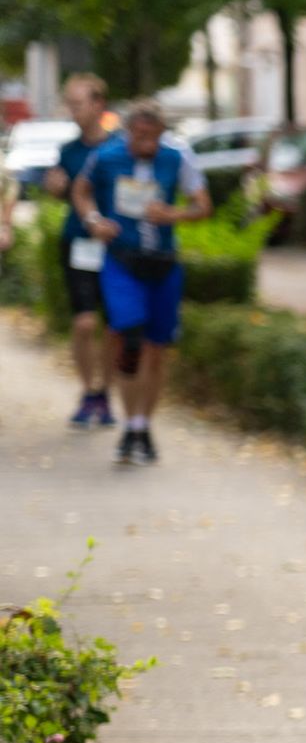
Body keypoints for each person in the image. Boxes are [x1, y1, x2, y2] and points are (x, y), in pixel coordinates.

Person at [72, 98, 209, 465]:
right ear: (128, 131)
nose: (147, 144)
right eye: (140, 136)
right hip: (122, 261)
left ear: (163, 134)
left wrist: (173, 214)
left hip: (163, 263)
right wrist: (95, 221)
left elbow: (202, 205)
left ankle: (139, 426)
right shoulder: (107, 155)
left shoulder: (178, 156)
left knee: (156, 351)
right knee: (129, 337)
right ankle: (129, 418)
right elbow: (80, 191)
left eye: (154, 136)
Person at [46, 73, 118, 430]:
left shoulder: (119, 148)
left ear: (98, 104)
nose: (72, 111)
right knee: (85, 321)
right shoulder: (68, 151)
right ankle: (89, 391)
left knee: (114, 327)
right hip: (77, 243)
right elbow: (59, 189)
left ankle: (105, 392)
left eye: (78, 103)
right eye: (69, 104)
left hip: (116, 246)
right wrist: (55, 187)